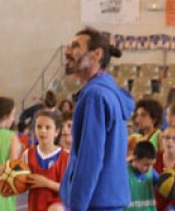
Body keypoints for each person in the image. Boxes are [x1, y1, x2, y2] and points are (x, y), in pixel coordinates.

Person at [60, 28, 134, 211]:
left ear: (96, 54)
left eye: (75, 46)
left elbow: (90, 159)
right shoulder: (106, 92)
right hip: (106, 201)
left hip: (95, 203)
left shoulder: (95, 95)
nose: (67, 51)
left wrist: (77, 206)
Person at [21, 110, 68, 211]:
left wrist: (47, 183)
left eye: (48, 127)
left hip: (57, 205)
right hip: (34, 205)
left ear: (57, 132)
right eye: (39, 127)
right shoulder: (27, 154)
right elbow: (21, 184)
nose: (43, 130)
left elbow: (69, 189)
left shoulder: (66, 157)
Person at [125, 141, 158, 211]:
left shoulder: (152, 173)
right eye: (146, 165)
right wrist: (127, 160)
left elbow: (164, 186)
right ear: (135, 159)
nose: (149, 168)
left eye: (152, 165)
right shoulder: (124, 172)